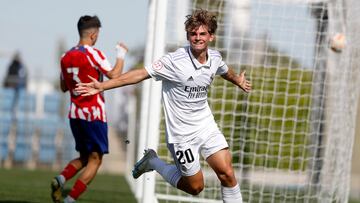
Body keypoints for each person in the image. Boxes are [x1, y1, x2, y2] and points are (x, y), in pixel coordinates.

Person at [76, 9, 251, 203]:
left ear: (211, 36)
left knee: (227, 173)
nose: (197, 38)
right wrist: (102, 85)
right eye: (193, 34)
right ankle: (153, 162)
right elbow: (139, 74)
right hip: (181, 135)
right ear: (188, 35)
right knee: (196, 187)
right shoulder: (174, 61)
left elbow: (224, 70)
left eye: (202, 34)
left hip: (206, 126)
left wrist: (238, 81)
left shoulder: (215, 58)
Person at [51, 15, 128, 203]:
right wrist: (121, 54)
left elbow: (63, 87)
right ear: (93, 35)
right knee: (96, 160)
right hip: (94, 114)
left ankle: (60, 179)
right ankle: (70, 200)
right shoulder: (93, 54)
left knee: (85, 157)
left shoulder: (65, 57)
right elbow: (114, 75)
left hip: (75, 114)